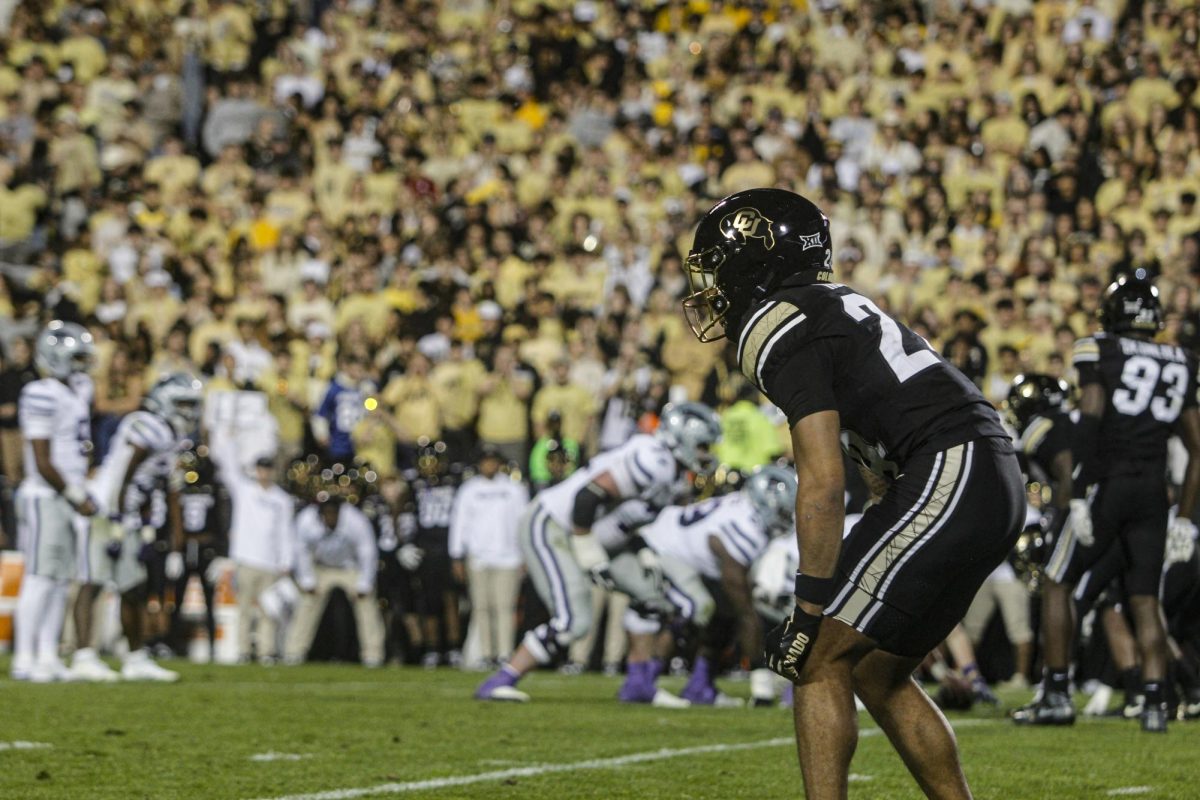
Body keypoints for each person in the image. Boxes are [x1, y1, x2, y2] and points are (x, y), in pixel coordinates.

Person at [682, 189, 1022, 800]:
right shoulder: (835, 305)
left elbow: (821, 479)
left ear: (755, 261)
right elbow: (872, 455)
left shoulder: (773, 322)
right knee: (875, 672)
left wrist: (809, 608)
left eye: (718, 265)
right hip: (986, 473)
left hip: (950, 464)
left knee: (814, 657)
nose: (713, 286)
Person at [1020, 275, 1200, 733]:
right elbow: (1198, 447)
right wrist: (1185, 520)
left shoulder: (1101, 349)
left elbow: (1093, 417)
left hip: (1109, 484)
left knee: (1058, 581)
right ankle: (1157, 704)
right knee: (1144, 598)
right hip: (1154, 495)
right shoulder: (1181, 358)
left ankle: (1057, 692)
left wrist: (1078, 492)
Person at [475, 401, 722, 702]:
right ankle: (501, 680)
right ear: (681, 438)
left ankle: (639, 684)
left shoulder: (671, 475)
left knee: (653, 596)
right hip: (555, 525)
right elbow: (587, 497)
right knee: (573, 621)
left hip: (596, 535)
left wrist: (641, 549)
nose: (705, 453)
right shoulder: (653, 459)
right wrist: (587, 549)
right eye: (702, 445)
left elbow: (621, 518)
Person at [617, 465, 798, 706]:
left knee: (724, 615)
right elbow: (745, 609)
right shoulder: (745, 527)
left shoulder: (742, 507)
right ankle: (642, 682)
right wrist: (761, 680)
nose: (786, 517)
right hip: (660, 549)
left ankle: (700, 686)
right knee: (693, 607)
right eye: (783, 510)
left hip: (684, 555)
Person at [70, 372, 203, 682]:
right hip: (107, 510)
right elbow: (122, 470)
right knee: (93, 581)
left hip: (128, 514)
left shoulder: (170, 433)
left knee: (133, 587)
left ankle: (134, 657)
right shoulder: (148, 425)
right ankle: (83, 656)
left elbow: (153, 484)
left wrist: (146, 521)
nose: (189, 411)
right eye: (183, 403)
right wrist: (116, 515)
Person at [11, 322, 97, 682]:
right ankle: (24, 656)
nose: (81, 365)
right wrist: (74, 493)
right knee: (40, 577)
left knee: (61, 579)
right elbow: (42, 458)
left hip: (65, 495)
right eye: (75, 357)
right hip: (47, 494)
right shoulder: (40, 392)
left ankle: (47, 653)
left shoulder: (75, 391)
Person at [211, 440, 295, 664]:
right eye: (261, 468)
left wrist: (285, 562)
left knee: (269, 611)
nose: (264, 473)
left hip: (270, 562)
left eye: (268, 468)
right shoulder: (244, 490)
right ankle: (243, 650)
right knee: (244, 609)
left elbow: (286, 533)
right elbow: (228, 466)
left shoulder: (282, 500)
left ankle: (266, 651)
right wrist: (228, 435)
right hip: (246, 559)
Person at [449, 445, 528, 668]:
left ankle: (504, 654)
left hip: (508, 558)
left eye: (493, 461)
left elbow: (522, 524)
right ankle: (485, 654)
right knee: (481, 608)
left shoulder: (514, 489)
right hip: (478, 558)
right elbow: (459, 523)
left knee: (504, 608)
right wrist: (457, 555)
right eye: (485, 461)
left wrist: (524, 556)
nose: (489, 465)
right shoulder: (469, 490)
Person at [284, 493, 383, 667]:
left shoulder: (355, 520)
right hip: (321, 567)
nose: (330, 517)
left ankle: (373, 654)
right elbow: (301, 551)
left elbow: (367, 551)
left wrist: (364, 582)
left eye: (333, 513)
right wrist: (307, 580)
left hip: (350, 567)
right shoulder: (307, 520)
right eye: (326, 514)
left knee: (366, 604)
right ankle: (294, 652)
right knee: (307, 603)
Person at [399, 438, 463, 668]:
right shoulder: (414, 484)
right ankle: (432, 649)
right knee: (428, 603)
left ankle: (454, 648)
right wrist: (405, 543)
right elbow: (404, 513)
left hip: (448, 547)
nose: (429, 465)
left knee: (451, 601)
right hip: (426, 548)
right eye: (424, 460)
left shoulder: (455, 480)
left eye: (432, 460)